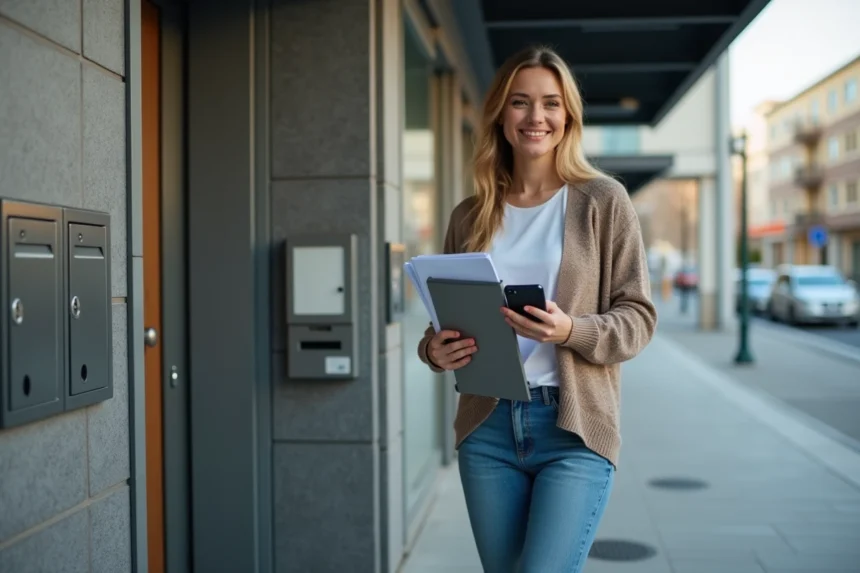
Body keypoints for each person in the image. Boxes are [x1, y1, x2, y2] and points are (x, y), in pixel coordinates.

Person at [416, 45, 657, 572]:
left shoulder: (602, 200)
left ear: (567, 115)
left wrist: (571, 329)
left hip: (572, 428)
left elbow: (638, 318)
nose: (536, 117)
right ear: (501, 115)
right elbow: (443, 320)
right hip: (488, 428)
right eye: (520, 102)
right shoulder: (471, 214)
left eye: (550, 103)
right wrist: (434, 350)